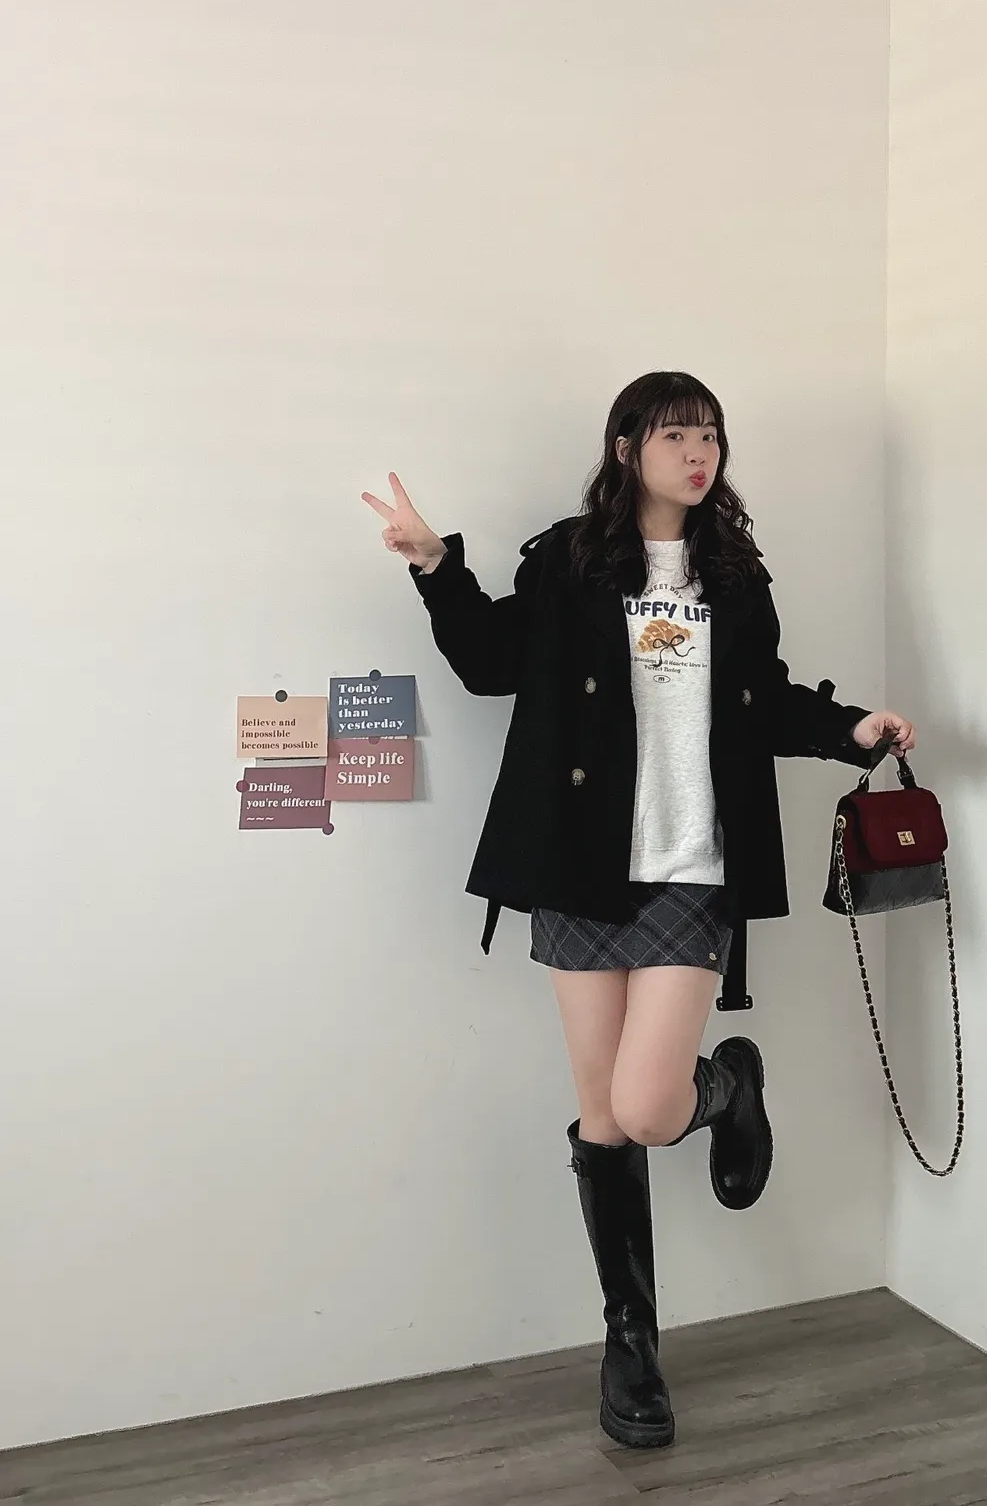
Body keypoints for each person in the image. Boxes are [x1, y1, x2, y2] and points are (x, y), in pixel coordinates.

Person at [362, 371, 915, 1450]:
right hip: (581, 866)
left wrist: (849, 727)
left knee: (652, 1106)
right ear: (626, 449)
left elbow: (764, 701)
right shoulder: (571, 560)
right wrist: (435, 564)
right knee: (605, 1117)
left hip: (692, 867)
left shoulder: (735, 576)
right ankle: (631, 1344)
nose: (698, 454)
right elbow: (490, 663)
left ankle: (727, 1084)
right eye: (675, 436)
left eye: (710, 436)